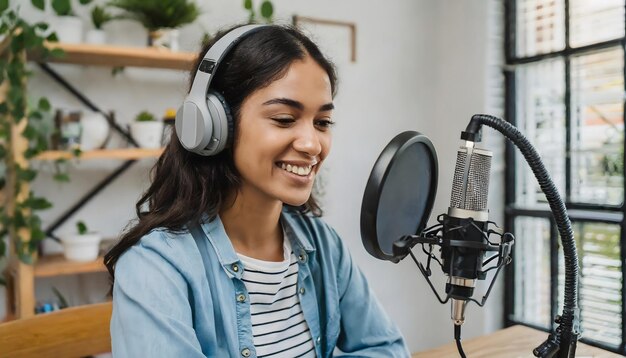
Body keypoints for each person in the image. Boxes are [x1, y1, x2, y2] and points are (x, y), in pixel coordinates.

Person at [104, 23, 410, 358]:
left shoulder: (323, 245)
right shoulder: (155, 268)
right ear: (213, 125)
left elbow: (386, 349)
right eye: (283, 119)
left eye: (322, 123)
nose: (312, 144)